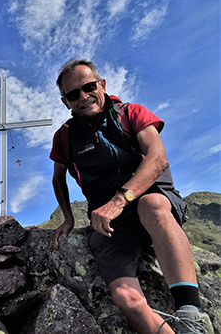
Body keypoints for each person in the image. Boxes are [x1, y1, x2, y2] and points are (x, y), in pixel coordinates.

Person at [50, 59, 214, 334]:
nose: (83, 96)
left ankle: (190, 314)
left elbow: (158, 158)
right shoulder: (65, 136)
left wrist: (118, 201)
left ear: (102, 85)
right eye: (73, 94)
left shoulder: (131, 113)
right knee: (126, 298)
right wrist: (67, 217)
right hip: (110, 222)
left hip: (151, 197)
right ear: (65, 101)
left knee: (151, 205)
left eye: (89, 87)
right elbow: (58, 177)